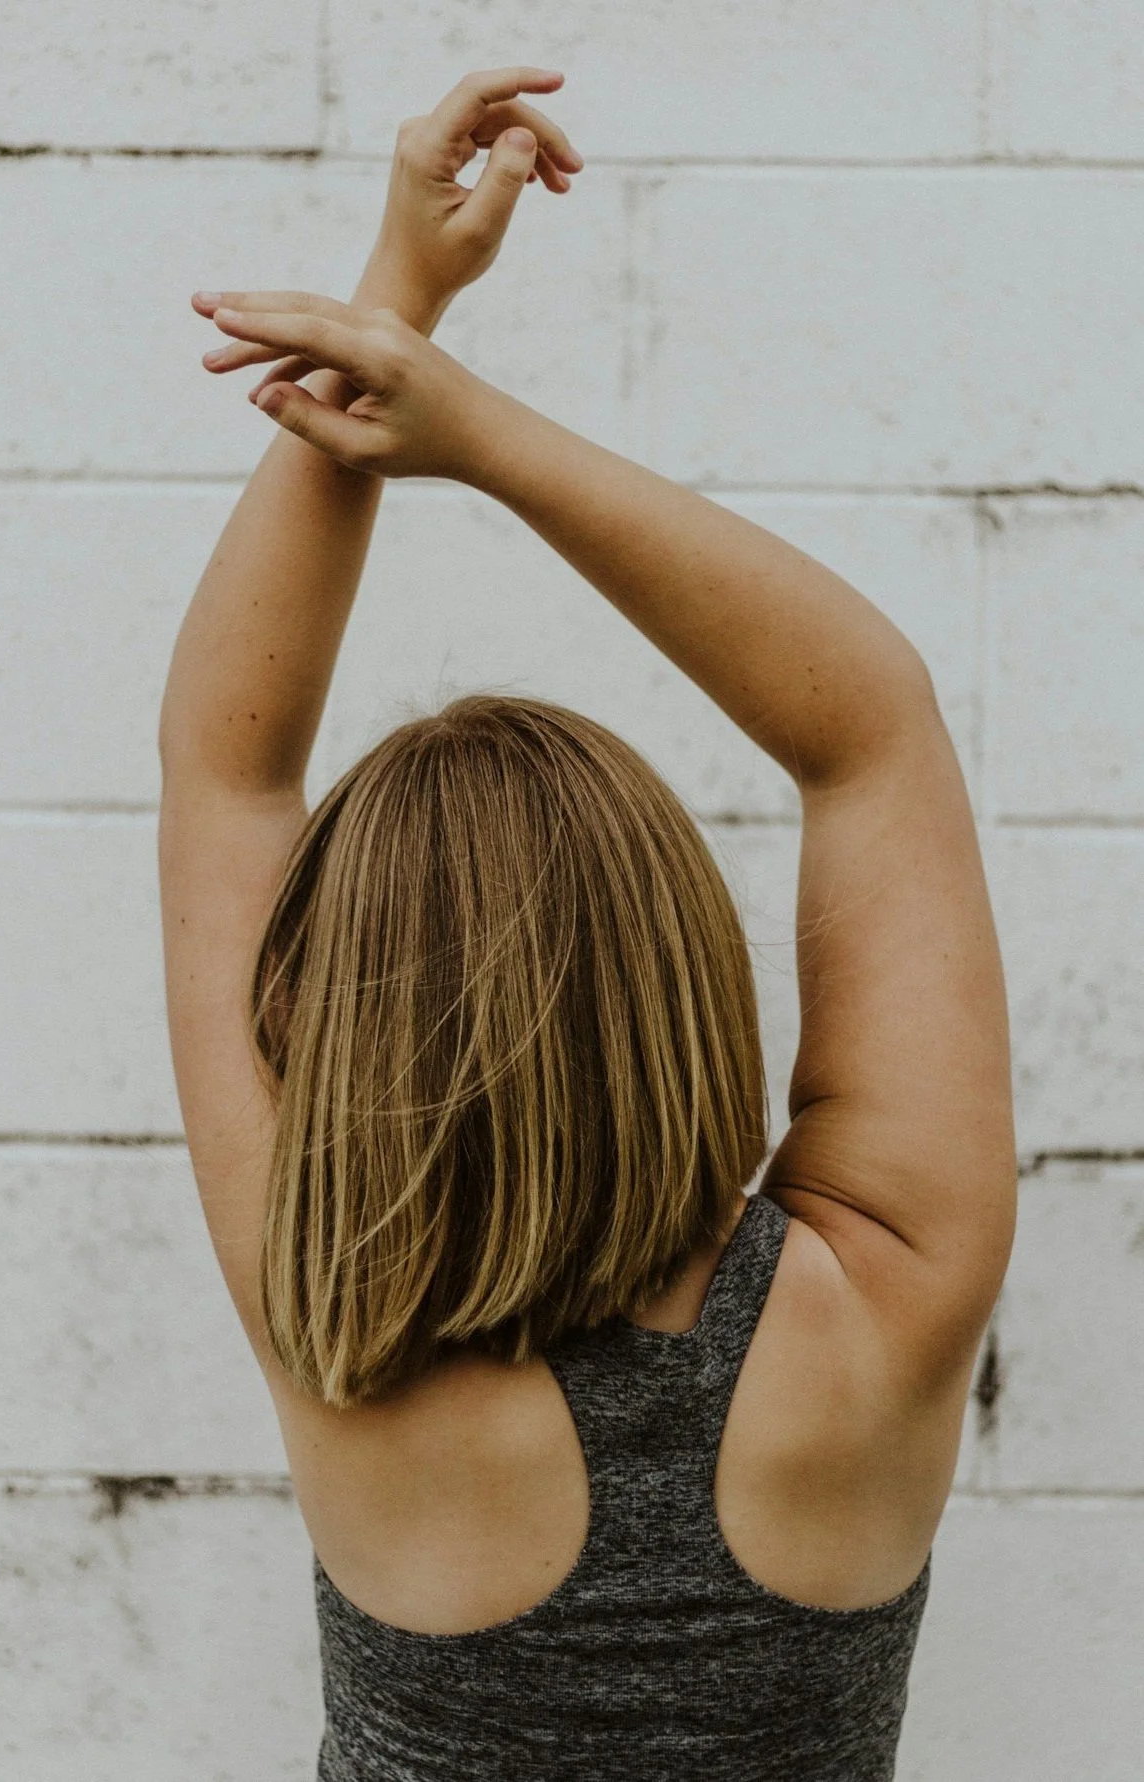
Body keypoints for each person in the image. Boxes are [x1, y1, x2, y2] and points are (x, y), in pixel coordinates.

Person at [158, 66, 1017, 1782]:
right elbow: (874, 727)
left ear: (342, 1027)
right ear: (682, 967)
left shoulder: (339, 1335)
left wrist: (392, 293)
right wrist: (474, 429)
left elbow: (226, 771)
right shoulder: (886, 1301)